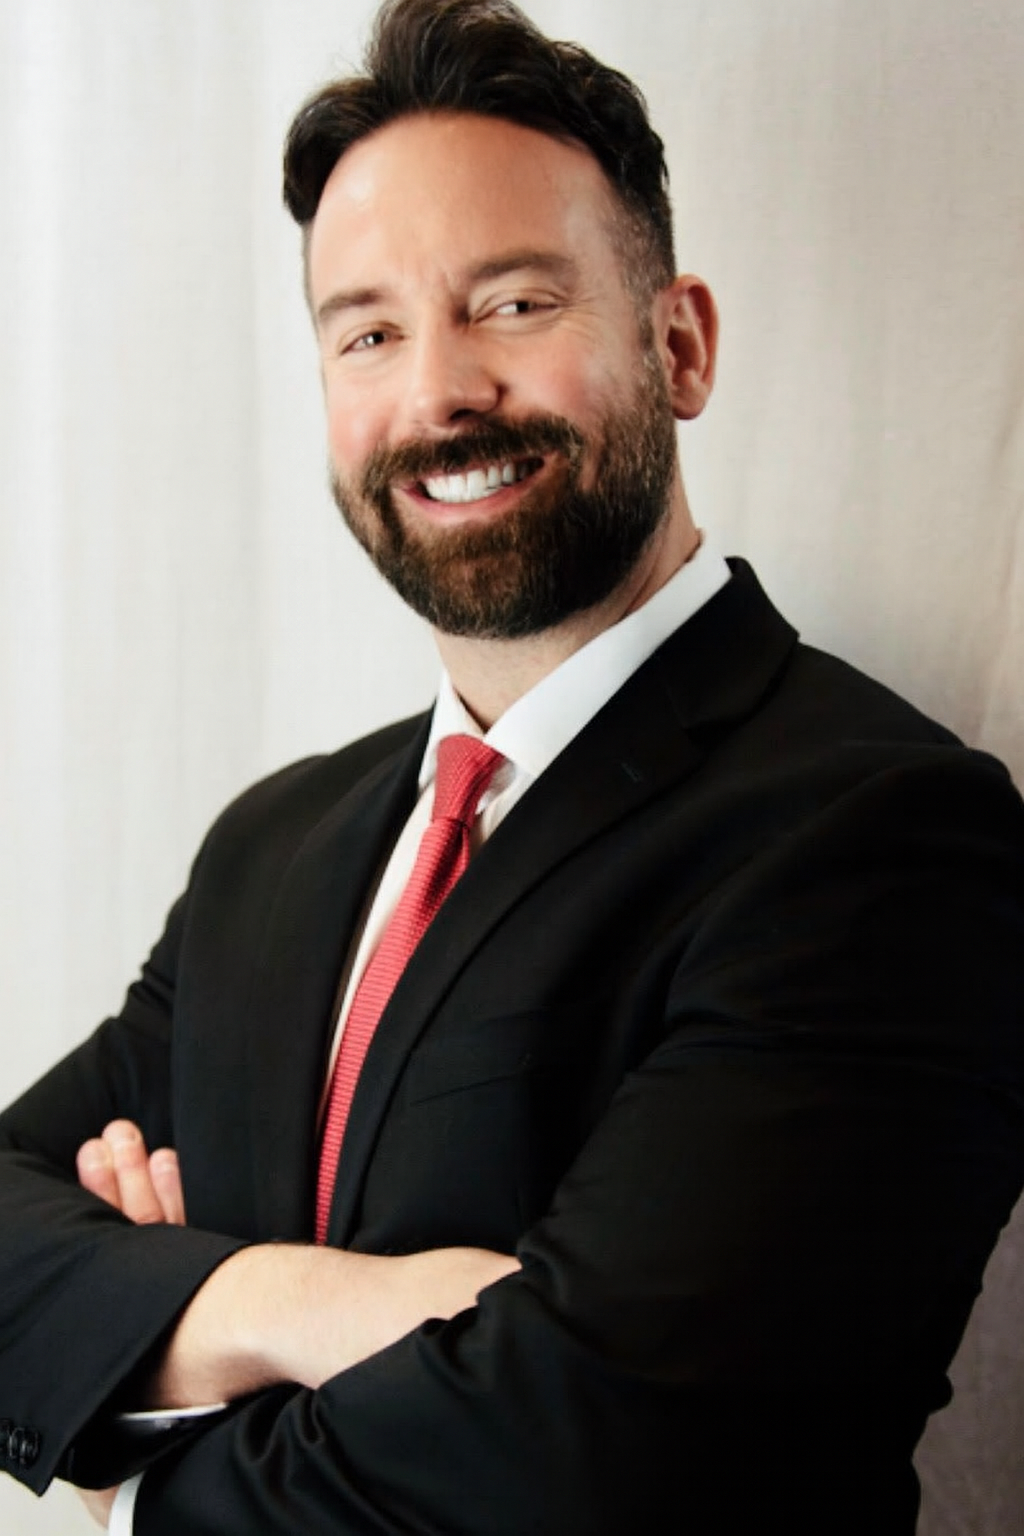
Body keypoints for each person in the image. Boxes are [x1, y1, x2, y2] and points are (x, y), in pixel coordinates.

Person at [1, 0, 1023, 1531]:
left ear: (677, 345)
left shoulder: (882, 834)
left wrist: (139, 1457)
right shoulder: (268, 853)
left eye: (513, 304)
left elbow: (596, 1456)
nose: (435, 395)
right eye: (369, 332)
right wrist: (282, 1302)